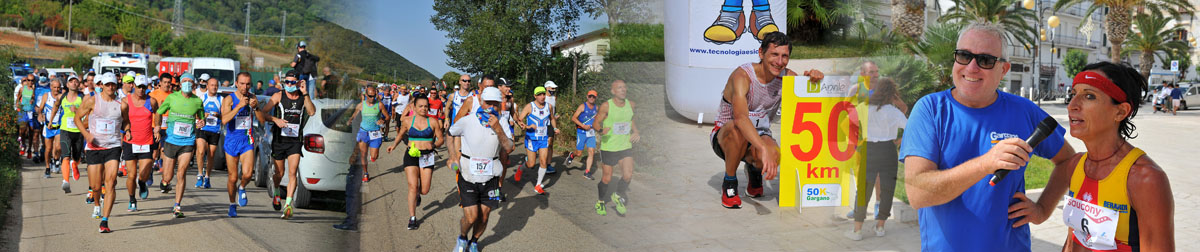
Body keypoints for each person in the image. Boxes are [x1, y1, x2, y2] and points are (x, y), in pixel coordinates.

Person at [899, 23, 1076, 251]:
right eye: (964, 56)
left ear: (1003, 70)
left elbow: (1068, 160)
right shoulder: (931, 110)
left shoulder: (1024, 110)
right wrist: (985, 163)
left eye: (985, 60)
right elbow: (918, 194)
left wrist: (1043, 209)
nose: (972, 67)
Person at [1010, 62, 1175, 251]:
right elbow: (1076, 236)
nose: (1072, 105)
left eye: (1089, 96)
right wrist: (1041, 210)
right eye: (1074, 95)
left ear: (1120, 111)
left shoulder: (1145, 178)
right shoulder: (1075, 165)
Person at [711, 31, 823, 208]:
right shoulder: (742, 76)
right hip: (726, 136)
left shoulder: (787, 77)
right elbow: (740, 119)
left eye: (785, 56)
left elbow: (809, 97)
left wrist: (813, 78)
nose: (779, 62)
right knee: (738, 130)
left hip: (759, 134)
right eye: (774, 54)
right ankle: (730, 182)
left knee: (775, 154)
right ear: (761, 53)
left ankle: (754, 170)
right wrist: (761, 148)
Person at [447, 87, 513, 252]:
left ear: (500, 105)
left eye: (495, 104)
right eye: (488, 103)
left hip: (492, 178)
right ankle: (462, 238)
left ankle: (474, 241)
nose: (491, 107)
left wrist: (498, 129)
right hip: (468, 175)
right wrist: (453, 155)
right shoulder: (468, 120)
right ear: (481, 102)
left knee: (484, 216)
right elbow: (451, 133)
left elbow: (509, 147)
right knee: (471, 217)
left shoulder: (502, 122)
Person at [844, 78, 907, 240]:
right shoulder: (893, 112)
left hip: (868, 149)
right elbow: (910, 127)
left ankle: (857, 230)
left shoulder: (864, 108)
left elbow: (845, 124)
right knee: (887, 189)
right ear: (892, 94)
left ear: (877, 91)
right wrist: (899, 141)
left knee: (863, 190)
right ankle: (880, 227)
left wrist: (857, 140)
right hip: (888, 150)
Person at [261, 70, 316, 219]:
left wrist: (305, 93)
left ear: (298, 83)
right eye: (287, 82)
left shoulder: (302, 97)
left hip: (295, 142)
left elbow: (311, 112)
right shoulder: (278, 95)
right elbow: (263, 113)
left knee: (293, 172)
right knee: (279, 174)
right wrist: (275, 120)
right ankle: (277, 191)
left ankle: (288, 205)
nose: (289, 85)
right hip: (279, 141)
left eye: (292, 82)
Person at [386, 92, 445, 230]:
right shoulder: (407, 120)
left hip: (427, 156)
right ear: (414, 106)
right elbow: (401, 134)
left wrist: (434, 145)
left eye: (426, 106)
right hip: (411, 155)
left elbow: (441, 139)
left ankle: (419, 194)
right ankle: (412, 218)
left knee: (424, 189)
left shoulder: (433, 121)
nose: (423, 109)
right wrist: (393, 146)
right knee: (412, 186)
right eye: (420, 106)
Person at [75, 73, 125, 232]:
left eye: (113, 84)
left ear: (116, 85)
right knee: (96, 187)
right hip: (94, 148)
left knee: (110, 182)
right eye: (108, 84)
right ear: (102, 85)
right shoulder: (92, 100)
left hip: (113, 147)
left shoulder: (121, 104)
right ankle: (97, 204)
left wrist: (128, 130)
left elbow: (127, 121)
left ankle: (105, 220)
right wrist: (86, 135)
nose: (111, 87)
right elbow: (77, 118)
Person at [157, 73, 205, 218]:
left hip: (188, 142)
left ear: (194, 84)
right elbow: (159, 112)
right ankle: (165, 182)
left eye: (190, 82)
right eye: (185, 81)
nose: (187, 84)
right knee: (168, 175)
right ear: (180, 83)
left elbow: (202, 119)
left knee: (181, 173)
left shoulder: (197, 101)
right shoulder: (172, 97)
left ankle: (177, 205)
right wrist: (157, 126)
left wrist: (202, 122)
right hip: (171, 141)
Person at [591, 80, 640, 216]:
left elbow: (631, 120)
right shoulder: (606, 106)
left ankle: (617, 195)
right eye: (619, 88)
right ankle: (600, 201)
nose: (623, 89)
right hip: (609, 147)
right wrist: (600, 130)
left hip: (625, 146)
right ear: (613, 91)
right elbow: (595, 122)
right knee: (607, 178)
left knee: (628, 175)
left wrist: (636, 131)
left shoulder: (631, 105)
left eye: (624, 87)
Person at [222, 73, 262, 217]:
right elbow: (224, 120)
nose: (245, 87)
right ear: (236, 83)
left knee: (247, 174)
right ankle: (232, 204)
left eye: (248, 84)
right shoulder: (228, 99)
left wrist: (256, 108)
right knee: (232, 178)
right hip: (232, 141)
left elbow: (262, 120)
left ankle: (243, 187)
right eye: (242, 84)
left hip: (247, 140)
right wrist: (239, 106)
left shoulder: (253, 98)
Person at [121, 75, 158, 212]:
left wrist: (158, 127)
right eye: (139, 87)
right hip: (130, 141)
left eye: (144, 87)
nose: (141, 89)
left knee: (143, 173)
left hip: (146, 141)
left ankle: (142, 183)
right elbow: (122, 119)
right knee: (131, 175)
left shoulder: (151, 101)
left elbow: (158, 113)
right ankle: (132, 199)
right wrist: (126, 130)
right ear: (134, 86)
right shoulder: (125, 101)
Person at [516, 86, 559, 194]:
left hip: (543, 138)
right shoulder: (529, 107)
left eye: (543, 94)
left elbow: (552, 118)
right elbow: (519, 121)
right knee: (531, 164)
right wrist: (527, 126)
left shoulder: (549, 106)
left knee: (543, 161)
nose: (542, 96)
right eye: (539, 94)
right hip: (531, 138)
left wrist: (555, 128)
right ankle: (521, 168)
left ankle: (538, 185)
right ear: (535, 96)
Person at [350, 85, 390, 183]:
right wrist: (349, 122)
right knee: (363, 155)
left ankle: (373, 156)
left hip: (375, 133)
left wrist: (383, 120)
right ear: (366, 95)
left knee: (374, 157)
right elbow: (353, 116)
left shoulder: (379, 105)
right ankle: (366, 173)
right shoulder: (361, 105)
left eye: (374, 96)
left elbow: (387, 116)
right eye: (370, 96)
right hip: (363, 132)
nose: (372, 98)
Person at [56, 75, 85, 193]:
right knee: (66, 155)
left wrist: (77, 111)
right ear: (67, 85)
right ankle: (65, 181)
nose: (73, 83)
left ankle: (75, 164)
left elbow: (88, 113)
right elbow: (55, 107)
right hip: (65, 129)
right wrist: (50, 121)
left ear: (78, 84)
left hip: (79, 130)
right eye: (71, 81)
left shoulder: (83, 97)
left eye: (76, 81)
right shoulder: (62, 97)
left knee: (77, 156)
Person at [195, 76, 223, 189]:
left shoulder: (221, 99)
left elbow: (225, 115)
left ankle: (207, 177)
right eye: (212, 85)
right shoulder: (201, 98)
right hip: (203, 128)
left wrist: (218, 115)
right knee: (201, 151)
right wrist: (203, 116)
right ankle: (199, 175)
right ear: (207, 86)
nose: (214, 87)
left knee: (211, 155)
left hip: (215, 130)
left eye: (216, 85)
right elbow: (195, 113)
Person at [568, 90, 600, 180]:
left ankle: (587, 172)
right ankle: (572, 155)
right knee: (579, 153)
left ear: (596, 98)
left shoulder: (596, 108)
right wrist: (583, 125)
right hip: (581, 132)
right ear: (587, 97)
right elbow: (573, 118)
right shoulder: (583, 106)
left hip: (591, 133)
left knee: (591, 152)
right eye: (590, 96)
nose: (591, 98)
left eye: (593, 97)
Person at [38, 77, 63, 178]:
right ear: (51, 87)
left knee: (58, 147)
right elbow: (40, 109)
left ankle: (56, 159)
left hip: (59, 126)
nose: (56, 89)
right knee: (48, 149)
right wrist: (40, 115)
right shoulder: (46, 96)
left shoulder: (62, 97)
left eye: (58, 87)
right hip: (48, 126)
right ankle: (48, 168)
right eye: (55, 87)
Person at [17, 76, 35, 160]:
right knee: (23, 130)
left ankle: (29, 150)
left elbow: (34, 99)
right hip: (23, 111)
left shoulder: (35, 89)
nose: (30, 82)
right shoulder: (22, 89)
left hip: (31, 112)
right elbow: (18, 98)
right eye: (29, 80)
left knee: (31, 131)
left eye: (32, 80)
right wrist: (17, 105)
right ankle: (23, 144)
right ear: (26, 80)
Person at [543, 81, 559, 174]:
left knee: (550, 143)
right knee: (541, 142)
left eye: (554, 88)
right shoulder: (542, 97)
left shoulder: (554, 98)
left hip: (550, 124)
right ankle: (531, 155)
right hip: (542, 123)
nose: (553, 90)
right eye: (552, 88)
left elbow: (554, 110)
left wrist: (555, 115)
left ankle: (548, 165)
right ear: (547, 88)